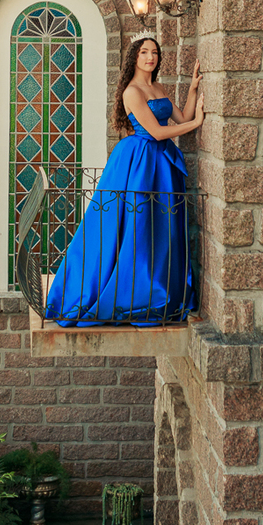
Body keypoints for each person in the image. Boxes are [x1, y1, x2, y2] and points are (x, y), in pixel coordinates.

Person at [44, 30, 204, 327]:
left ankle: (159, 289)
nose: (150, 57)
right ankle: (130, 293)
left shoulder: (157, 86)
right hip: (139, 162)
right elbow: (158, 132)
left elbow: (181, 118)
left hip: (161, 163)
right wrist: (195, 124)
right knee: (136, 225)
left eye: (154, 52)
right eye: (144, 52)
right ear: (134, 57)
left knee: (160, 227)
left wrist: (193, 89)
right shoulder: (132, 91)